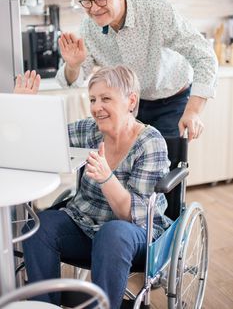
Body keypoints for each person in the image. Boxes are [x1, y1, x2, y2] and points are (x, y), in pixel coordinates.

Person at [15, 66, 171, 309]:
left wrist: (107, 178)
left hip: (136, 233)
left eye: (106, 98)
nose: (97, 107)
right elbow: (45, 137)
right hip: (85, 224)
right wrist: (25, 108)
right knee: (38, 226)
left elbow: (131, 217)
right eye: (93, 99)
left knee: (113, 234)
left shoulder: (150, 143)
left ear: (131, 101)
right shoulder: (90, 130)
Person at [55, 0, 218, 141]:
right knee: (127, 167)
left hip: (172, 101)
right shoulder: (89, 28)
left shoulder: (154, 8)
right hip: (128, 107)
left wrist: (193, 111)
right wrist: (73, 65)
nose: (94, 8)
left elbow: (205, 56)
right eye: (87, 0)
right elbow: (72, 81)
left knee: (166, 166)